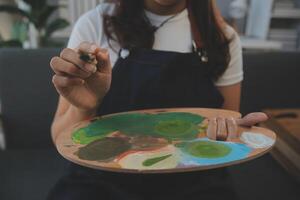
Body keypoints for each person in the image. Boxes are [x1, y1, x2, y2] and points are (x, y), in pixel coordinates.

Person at [48, 0, 267, 199]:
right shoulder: (95, 24)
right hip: (99, 182)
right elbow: (60, 136)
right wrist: (85, 107)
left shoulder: (221, 38)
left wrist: (236, 133)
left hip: (195, 183)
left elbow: (227, 134)